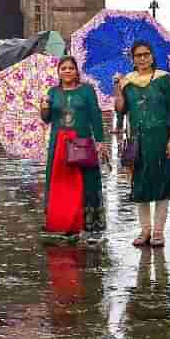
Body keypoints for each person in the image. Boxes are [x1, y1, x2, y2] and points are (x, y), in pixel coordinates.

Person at [112, 41, 170, 248]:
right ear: (132, 59)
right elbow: (120, 109)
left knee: (162, 184)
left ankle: (158, 232)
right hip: (138, 141)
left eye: (146, 54)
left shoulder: (164, 79)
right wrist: (117, 86)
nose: (142, 59)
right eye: (138, 56)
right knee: (140, 186)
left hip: (161, 139)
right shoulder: (128, 82)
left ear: (152, 56)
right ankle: (145, 231)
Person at [39, 56, 108, 244]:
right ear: (59, 72)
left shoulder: (87, 90)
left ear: (77, 71)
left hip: (82, 142)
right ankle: (66, 224)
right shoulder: (52, 92)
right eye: (63, 68)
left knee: (86, 182)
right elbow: (46, 119)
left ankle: (88, 225)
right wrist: (44, 107)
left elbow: (95, 115)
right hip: (59, 144)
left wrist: (100, 141)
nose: (67, 71)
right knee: (63, 185)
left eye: (71, 68)